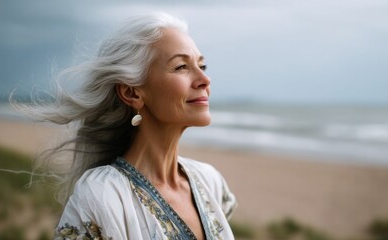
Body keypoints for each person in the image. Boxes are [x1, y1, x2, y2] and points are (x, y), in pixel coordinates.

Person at [19, 12, 237, 239]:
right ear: (131, 92)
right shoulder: (101, 195)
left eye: (203, 65)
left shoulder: (209, 181)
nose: (204, 79)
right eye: (181, 66)